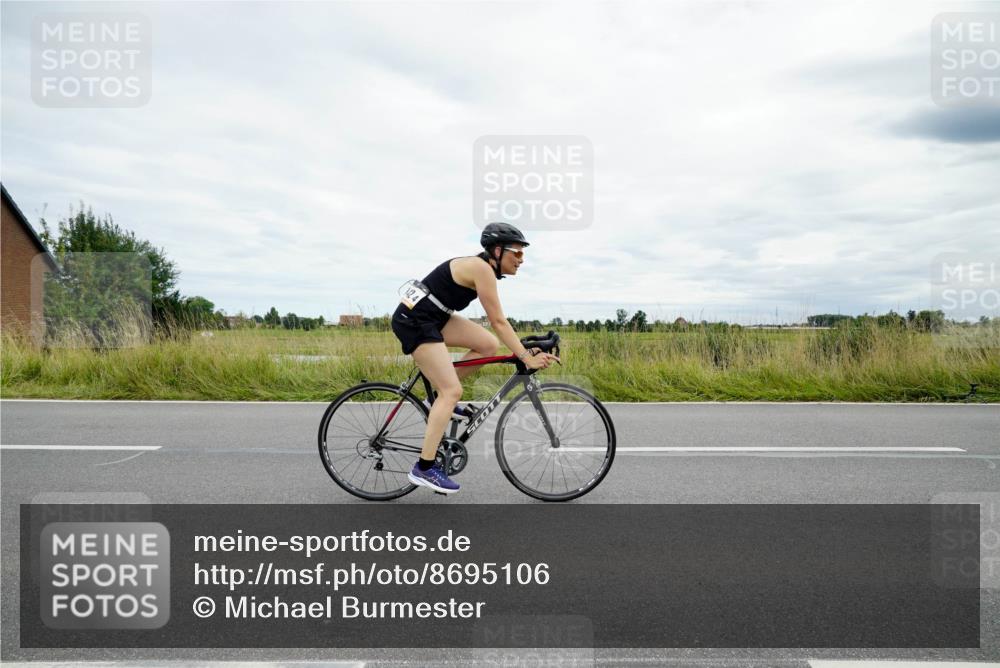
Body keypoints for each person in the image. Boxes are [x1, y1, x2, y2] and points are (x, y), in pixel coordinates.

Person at [391, 222, 560, 495]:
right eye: (516, 253)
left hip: (435, 316)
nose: (521, 259)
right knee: (452, 391)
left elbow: (498, 329)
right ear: (497, 251)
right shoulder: (482, 269)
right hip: (415, 320)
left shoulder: (483, 268)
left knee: (487, 345)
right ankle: (424, 468)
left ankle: (435, 399)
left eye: (522, 254)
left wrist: (524, 348)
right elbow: (498, 320)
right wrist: (525, 358)